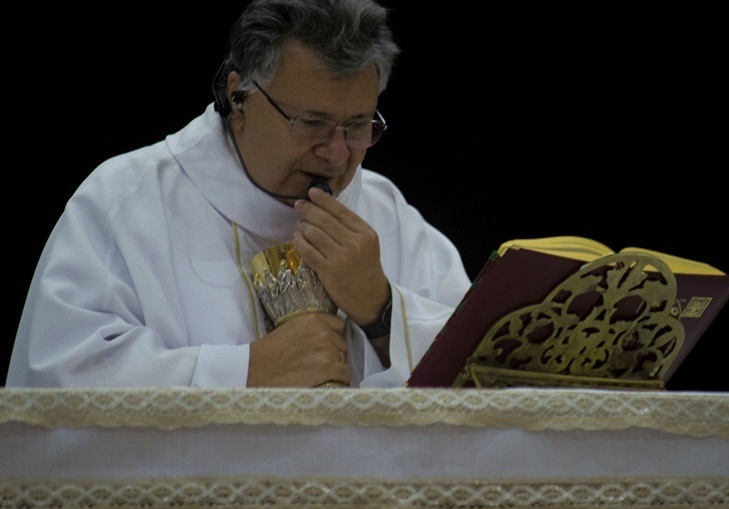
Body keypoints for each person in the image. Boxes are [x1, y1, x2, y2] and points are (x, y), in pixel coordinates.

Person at [5, 0, 471, 388]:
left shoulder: (389, 215)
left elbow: (489, 381)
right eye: (311, 123)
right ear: (239, 98)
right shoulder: (123, 205)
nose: (336, 153)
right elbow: (58, 383)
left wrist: (381, 310)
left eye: (357, 126)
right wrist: (245, 373)